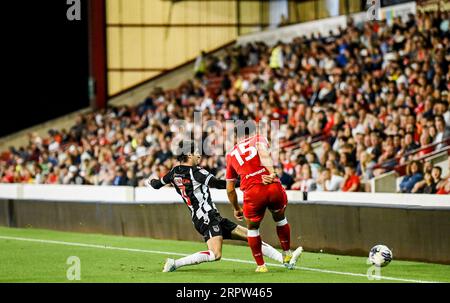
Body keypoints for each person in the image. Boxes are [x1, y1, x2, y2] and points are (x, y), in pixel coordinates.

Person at [147, 140, 289, 273]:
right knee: (215, 254)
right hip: (206, 218)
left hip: (209, 216)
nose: (199, 154)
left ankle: (284, 260)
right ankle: (175, 263)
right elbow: (218, 184)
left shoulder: (173, 172)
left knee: (249, 234)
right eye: (196, 151)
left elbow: (156, 185)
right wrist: (248, 180)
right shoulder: (196, 172)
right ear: (189, 154)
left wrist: (151, 181)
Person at [225, 122, 302, 273]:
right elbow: (264, 154)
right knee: (280, 219)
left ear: (236, 136)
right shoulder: (259, 139)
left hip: (253, 193)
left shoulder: (231, 154)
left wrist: (236, 208)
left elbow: (230, 189)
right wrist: (272, 173)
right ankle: (287, 253)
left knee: (252, 229)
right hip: (272, 186)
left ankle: (261, 265)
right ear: (254, 132)